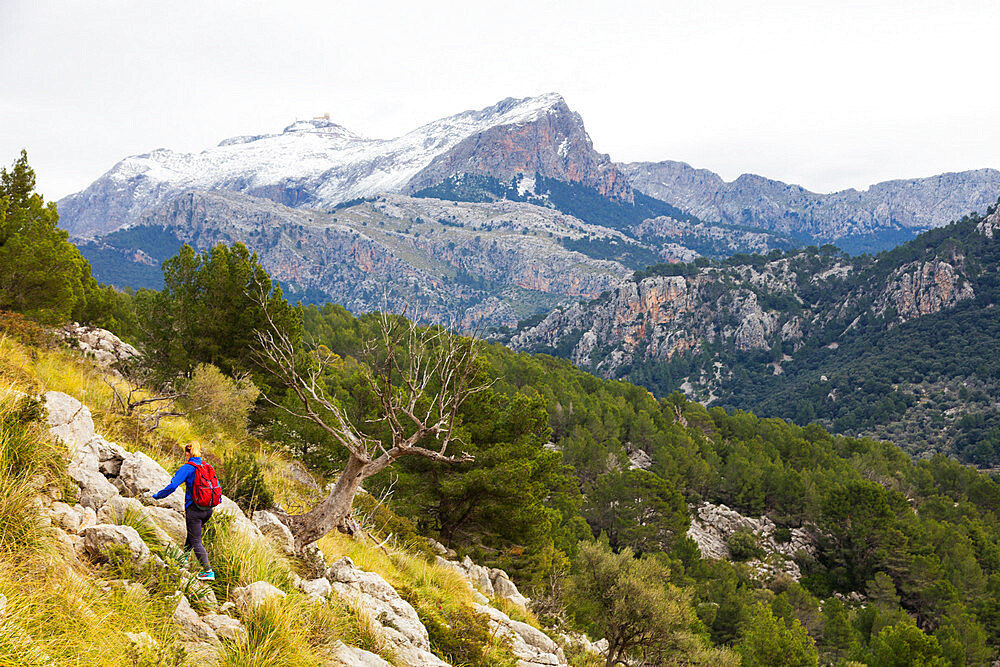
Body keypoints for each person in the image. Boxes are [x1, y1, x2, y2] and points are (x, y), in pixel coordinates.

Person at [152, 440, 216, 581]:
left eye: (185, 454)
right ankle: (183, 559)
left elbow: (172, 486)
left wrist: (157, 496)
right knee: (192, 534)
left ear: (187, 453)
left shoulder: (188, 467)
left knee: (196, 540)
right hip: (208, 509)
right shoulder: (207, 466)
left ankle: (208, 571)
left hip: (194, 510)